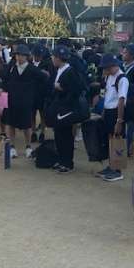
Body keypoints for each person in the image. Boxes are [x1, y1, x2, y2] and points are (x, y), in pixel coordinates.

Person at [4, 44, 47, 159]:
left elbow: (44, 80)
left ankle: (28, 147)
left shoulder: (33, 69)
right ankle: (12, 147)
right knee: (11, 124)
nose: (19, 57)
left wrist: (34, 92)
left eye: (22, 55)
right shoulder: (11, 67)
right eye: (17, 55)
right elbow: (5, 80)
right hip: (11, 100)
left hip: (26, 102)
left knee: (27, 125)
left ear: (27, 56)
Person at [50, 45, 84, 173]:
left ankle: (67, 163)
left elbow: (76, 90)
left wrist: (61, 88)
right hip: (59, 107)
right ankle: (61, 160)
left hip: (67, 108)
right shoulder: (59, 70)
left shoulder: (70, 71)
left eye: (54, 57)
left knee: (66, 136)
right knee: (59, 135)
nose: (53, 59)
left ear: (58, 58)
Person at [96, 54, 129, 182]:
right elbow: (108, 95)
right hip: (109, 111)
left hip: (117, 112)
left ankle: (118, 170)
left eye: (106, 68)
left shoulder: (122, 79)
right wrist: (104, 111)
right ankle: (111, 166)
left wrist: (119, 120)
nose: (104, 70)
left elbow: (121, 100)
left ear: (112, 66)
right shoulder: (109, 77)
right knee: (111, 139)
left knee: (117, 139)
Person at [31, 44, 54, 143]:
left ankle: (42, 133)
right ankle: (33, 132)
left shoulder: (47, 63)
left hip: (42, 92)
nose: (38, 57)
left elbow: (51, 77)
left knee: (42, 114)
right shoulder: (29, 62)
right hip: (32, 92)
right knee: (32, 114)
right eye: (36, 55)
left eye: (40, 55)